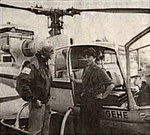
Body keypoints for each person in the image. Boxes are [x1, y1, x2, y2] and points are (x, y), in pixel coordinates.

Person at [71, 47, 114, 135]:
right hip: (85, 101)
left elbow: (111, 85)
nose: (87, 59)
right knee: (84, 125)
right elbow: (84, 82)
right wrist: (74, 80)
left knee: (94, 127)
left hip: (94, 102)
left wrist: (103, 96)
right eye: (86, 57)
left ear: (94, 57)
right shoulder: (86, 69)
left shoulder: (99, 70)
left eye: (89, 57)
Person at [16, 44, 54, 135]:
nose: (53, 53)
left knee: (45, 131)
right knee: (35, 132)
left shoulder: (45, 64)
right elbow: (21, 84)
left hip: (45, 103)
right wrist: (33, 99)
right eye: (51, 51)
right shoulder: (32, 65)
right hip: (37, 105)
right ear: (44, 52)